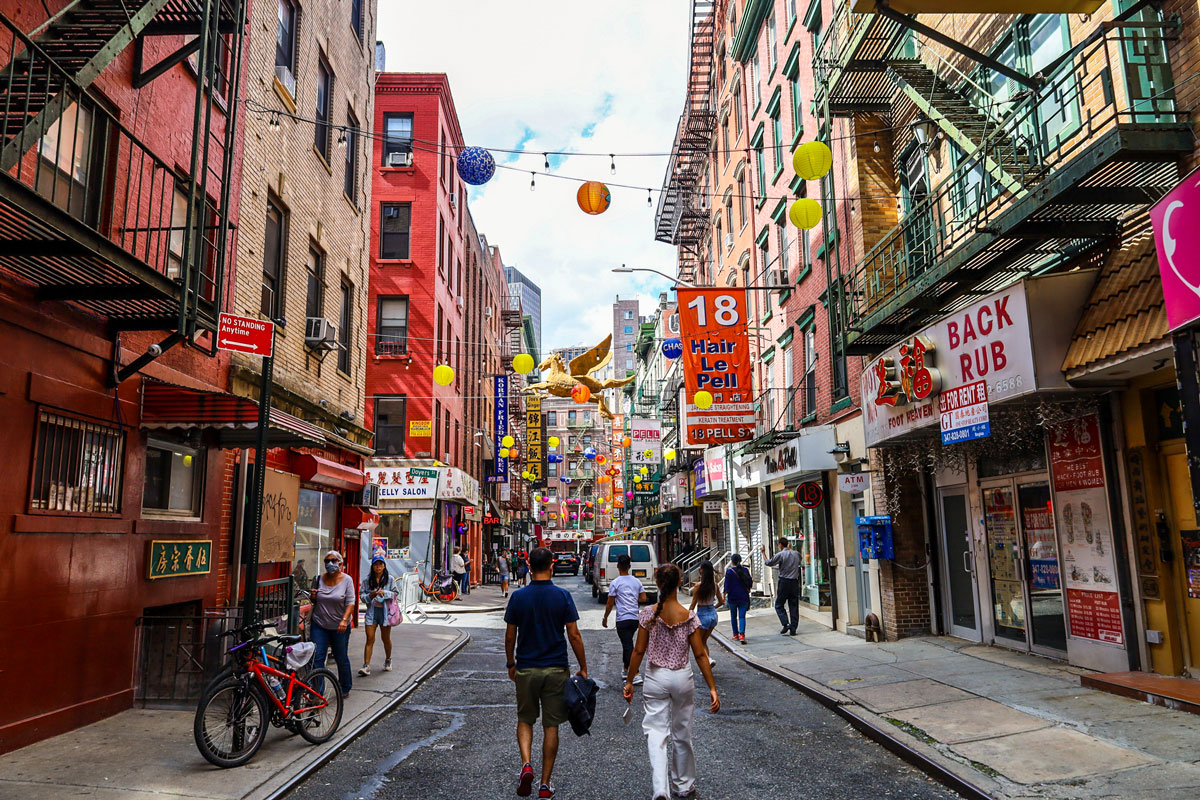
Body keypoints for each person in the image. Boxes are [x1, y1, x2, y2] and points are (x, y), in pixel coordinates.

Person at [624, 564, 720, 800]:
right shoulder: (689, 616)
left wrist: (629, 681)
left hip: (655, 677)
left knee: (656, 733)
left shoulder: (648, 614)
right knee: (682, 731)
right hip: (681, 677)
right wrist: (712, 687)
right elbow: (699, 655)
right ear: (679, 583)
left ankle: (660, 789)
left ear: (657, 584)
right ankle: (683, 785)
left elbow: (638, 650)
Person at [504, 547, 587, 799]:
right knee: (551, 726)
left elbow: (510, 636)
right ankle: (544, 784)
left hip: (526, 668)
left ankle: (526, 764)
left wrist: (511, 664)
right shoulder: (562, 596)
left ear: (529, 567)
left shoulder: (518, 597)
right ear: (551, 566)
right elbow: (573, 634)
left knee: (525, 719)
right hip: (556, 669)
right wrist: (583, 666)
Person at [309, 549, 356, 696]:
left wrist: (344, 620)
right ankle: (317, 693)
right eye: (327, 561)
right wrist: (313, 597)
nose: (330, 563)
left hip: (339, 626)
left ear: (340, 563)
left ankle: (345, 687)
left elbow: (350, 602)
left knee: (340, 656)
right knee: (317, 658)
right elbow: (314, 601)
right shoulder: (318, 579)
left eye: (333, 561)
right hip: (320, 624)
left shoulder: (347, 580)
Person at [601, 553, 647, 684]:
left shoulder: (615, 583)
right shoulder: (636, 581)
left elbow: (610, 603)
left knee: (627, 645)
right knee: (627, 644)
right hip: (634, 618)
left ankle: (636, 673)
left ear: (617, 566)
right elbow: (643, 598)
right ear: (630, 566)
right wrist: (633, 599)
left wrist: (605, 618)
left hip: (622, 619)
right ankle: (626, 669)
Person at [357, 556, 395, 676]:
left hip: (384, 613)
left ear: (384, 566)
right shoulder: (367, 580)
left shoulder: (390, 580)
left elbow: (396, 594)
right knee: (370, 638)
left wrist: (385, 593)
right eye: (375, 564)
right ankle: (366, 665)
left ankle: (388, 659)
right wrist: (370, 596)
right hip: (371, 613)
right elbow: (362, 595)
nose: (378, 567)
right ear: (372, 566)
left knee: (385, 638)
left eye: (380, 564)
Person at [688, 560, 724, 666]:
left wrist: (688, 617)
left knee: (699, 643)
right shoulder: (715, 585)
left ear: (702, 571)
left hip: (702, 615)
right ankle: (707, 664)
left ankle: (707, 660)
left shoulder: (698, 586)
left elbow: (693, 605)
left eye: (700, 568)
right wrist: (713, 608)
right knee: (703, 641)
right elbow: (721, 601)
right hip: (713, 615)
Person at [762, 538, 801, 635]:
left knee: (779, 604)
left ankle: (786, 623)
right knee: (794, 605)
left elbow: (769, 563)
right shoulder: (797, 554)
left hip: (784, 581)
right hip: (794, 582)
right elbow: (800, 560)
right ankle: (793, 628)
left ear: (780, 545)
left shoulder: (781, 555)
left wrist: (763, 553)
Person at [724, 553, 753, 643]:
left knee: (733, 616)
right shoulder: (745, 570)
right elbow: (750, 582)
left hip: (732, 597)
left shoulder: (729, 572)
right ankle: (742, 635)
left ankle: (735, 634)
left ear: (732, 562)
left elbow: (726, 587)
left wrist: (723, 596)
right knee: (742, 616)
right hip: (743, 597)